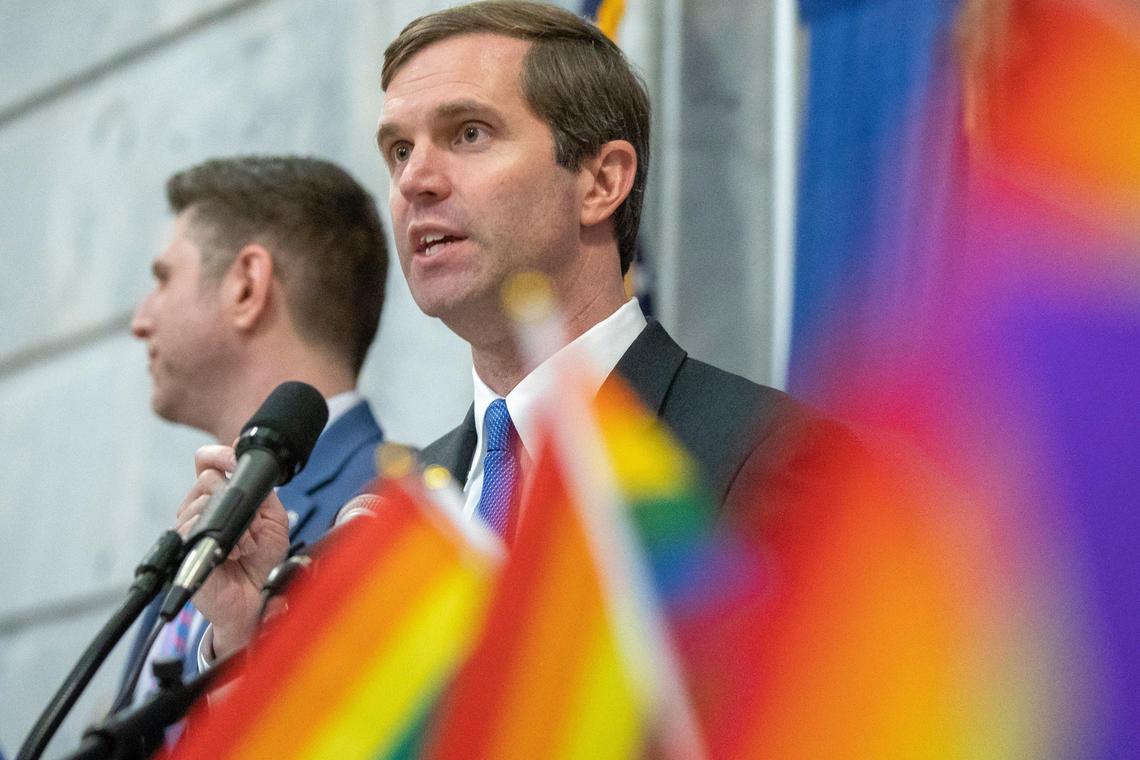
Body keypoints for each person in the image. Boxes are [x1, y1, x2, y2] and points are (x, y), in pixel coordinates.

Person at [183, 0, 847, 665]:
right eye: (399, 150)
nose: (415, 179)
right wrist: (249, 642)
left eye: (469, 133)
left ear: (601, 180)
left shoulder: (777, 462)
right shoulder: (383, 517)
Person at [123, 155, 389, 698]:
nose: (139, 320)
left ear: (247, 286)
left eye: (163, 279)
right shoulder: (199, 522)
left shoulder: (382, 510)